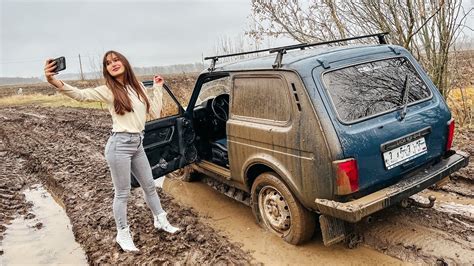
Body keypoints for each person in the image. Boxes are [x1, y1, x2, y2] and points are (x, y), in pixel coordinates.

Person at [44, 51, 180, 252]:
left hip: (137, 144)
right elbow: (81, 95)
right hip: (119, 146)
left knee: (150, 186)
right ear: (106, 69)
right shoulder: (109, 90)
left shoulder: (139, 87)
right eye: (108, 63)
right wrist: (53, 81)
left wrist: (158, 88)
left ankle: (160, 220)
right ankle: (122, 234)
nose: (113, 64)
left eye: (116, 60)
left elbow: (155, 112)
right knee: (123, 193)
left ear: (124, 62)